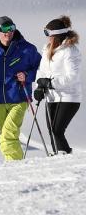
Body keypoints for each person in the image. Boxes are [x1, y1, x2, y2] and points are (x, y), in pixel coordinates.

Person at [0, 16, 41, 160]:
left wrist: (27, 75)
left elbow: (42, 68)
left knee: (8, 135)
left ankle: (14, 168)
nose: (9, 32)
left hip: (19, 99)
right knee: (6, 137)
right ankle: (15, 166)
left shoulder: (27, 49)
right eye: (4, 29)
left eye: (11, 28)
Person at [34, 16, 81, 154]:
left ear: (57, 35)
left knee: (57, 130)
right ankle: (58, 155)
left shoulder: (70, 51)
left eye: (48, 34)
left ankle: (64, 156)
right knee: (52, 130)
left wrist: (51, 83)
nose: (47, 37)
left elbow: (73, 76)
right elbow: (41, 70)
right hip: (52, 96)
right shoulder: (47, 49)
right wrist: (39, 86)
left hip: (69, 97)